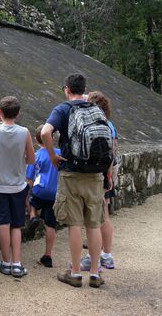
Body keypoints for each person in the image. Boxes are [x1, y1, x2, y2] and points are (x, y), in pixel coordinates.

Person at [41, 73, 109, 288]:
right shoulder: (95, 109)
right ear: (84, 89)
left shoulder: (63, 109)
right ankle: (96, 273)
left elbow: (45, 132)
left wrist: (52, 155)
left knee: (74, 225)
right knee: (94, 224)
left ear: (67, 89)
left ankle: (76, 273)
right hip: (95, 175)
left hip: (71, 173)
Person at [0, 96, 35, 278]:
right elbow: (31, 159)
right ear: (18, 113)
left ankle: (5, 263)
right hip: (17, 186)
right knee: (17, 224)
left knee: (3, 223)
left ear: (0, 112)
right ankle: (17, 264)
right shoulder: (25, 132)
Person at [80, 90, 117, 271]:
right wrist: (109, 176)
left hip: (98, 174)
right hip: (106, 173)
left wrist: (105, 176)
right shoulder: (109, 125)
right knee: (104, 216)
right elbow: (112, 153)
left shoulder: (95, 124)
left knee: (94, 218)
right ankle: (106, 256)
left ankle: (92, 259)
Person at [24, 124, 61, 268]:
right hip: (54, 192)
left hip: (40, 190)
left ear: (36, 139)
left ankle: (33, 216)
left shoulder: (37, 155)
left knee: (31, 202)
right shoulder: (59, 153)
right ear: (52, 138)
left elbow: (29, 178)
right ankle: (48, 255)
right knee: (50, 224)